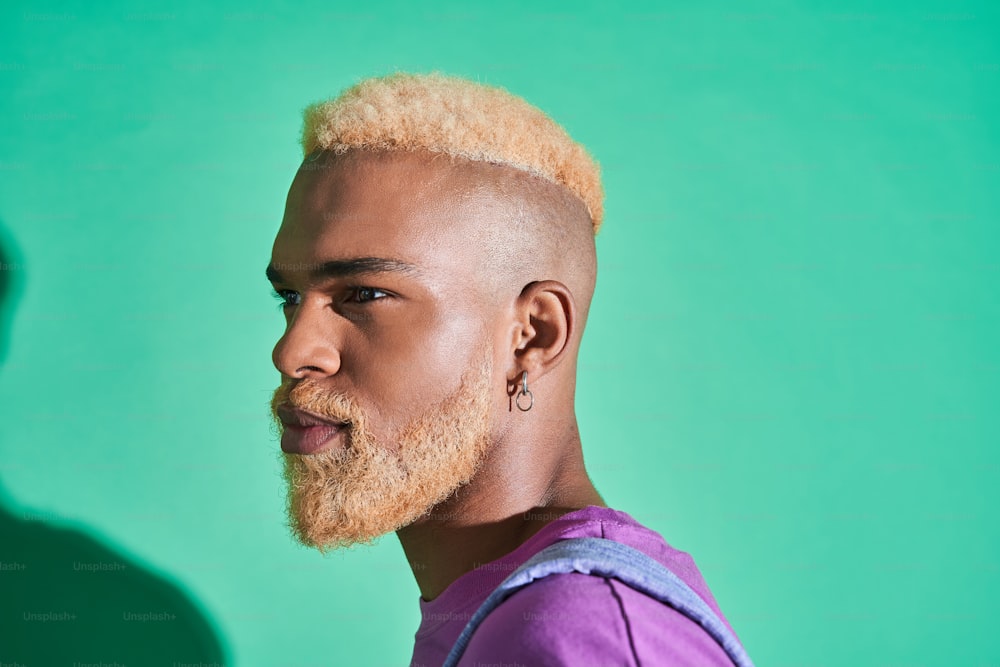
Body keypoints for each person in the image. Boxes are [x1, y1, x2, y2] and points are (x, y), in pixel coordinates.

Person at [266, 71, 750, 665]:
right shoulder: (519, 616)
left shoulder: (578, 633)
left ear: (533, 335)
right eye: (289, 297)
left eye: (364, 295)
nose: (291, 352)